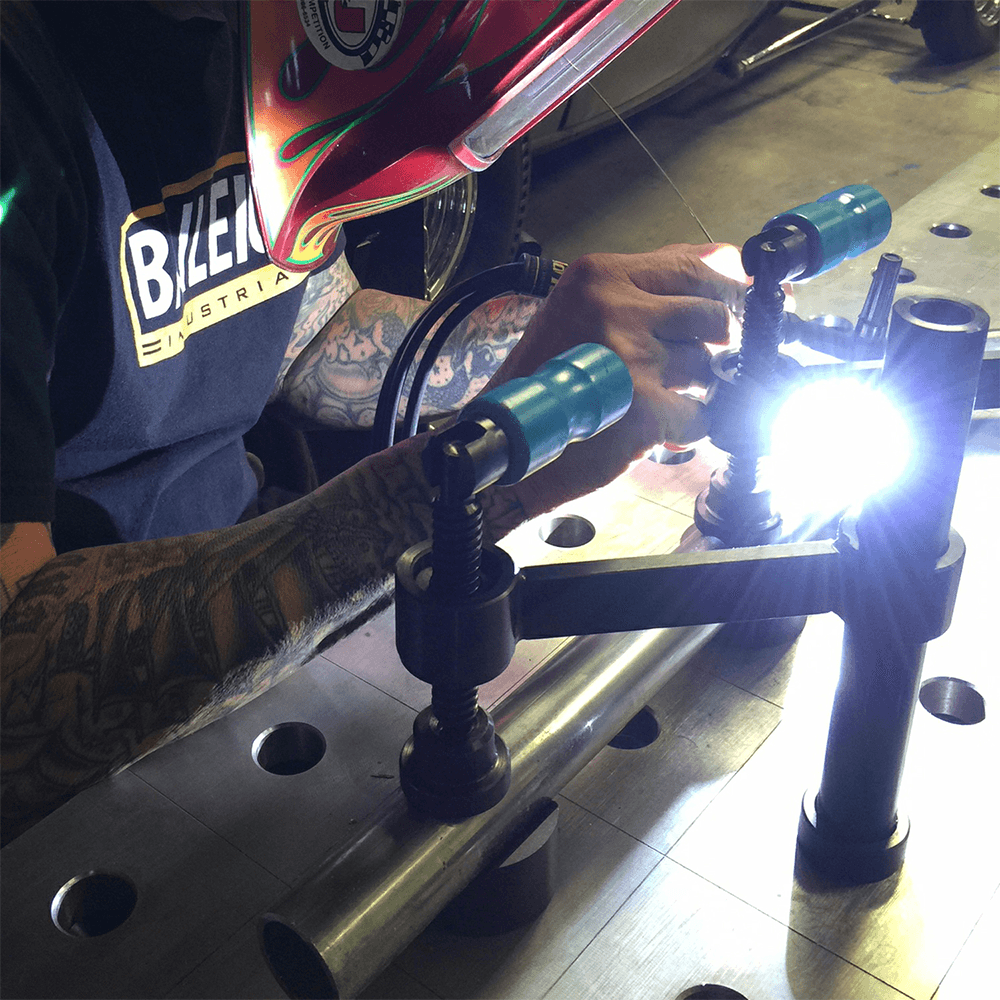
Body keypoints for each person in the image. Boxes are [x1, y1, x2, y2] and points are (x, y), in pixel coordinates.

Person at [0, 1, 744, 844]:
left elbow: (316, 332)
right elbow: (14, 685)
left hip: (259, 605)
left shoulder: (267, 51)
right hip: (83, 779)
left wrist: (575, 339)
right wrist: (476, 477)